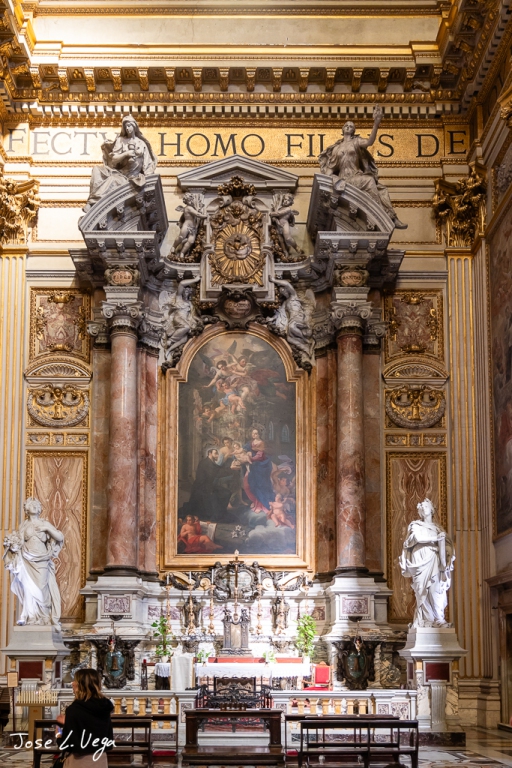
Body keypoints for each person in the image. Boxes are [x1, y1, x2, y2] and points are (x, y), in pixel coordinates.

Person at [318, 105, 407, 229]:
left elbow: (370, 141)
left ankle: (387, 215)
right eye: (346, 125)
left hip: (356, 177)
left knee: (374, 184)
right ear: (342, 129)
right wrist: (329, 181)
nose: (348, 127)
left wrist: (376, 123)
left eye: (351, 126)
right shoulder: (336, 149)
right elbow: (330, 170)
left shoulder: (356, 142)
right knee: (369, 181)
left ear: (353, 131)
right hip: (344, 180)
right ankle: (384, 215)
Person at [3, 497, 64, 627]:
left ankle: (45, 617)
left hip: (41, 560)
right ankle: (31, 617)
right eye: (32, 505)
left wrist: (47, 529)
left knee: (41, 589)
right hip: (26, 559)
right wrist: (12, 545)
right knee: (28, 588)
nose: (35, 506)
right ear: (26, 509)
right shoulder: (23, 525)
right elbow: (18, 542)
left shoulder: (44, 523)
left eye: (37, 505)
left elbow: (59, 537)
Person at [399, 498, 455, 628]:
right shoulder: (415, 525)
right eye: (422, 507)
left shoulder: (438, 529)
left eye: (426, 506)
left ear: (432, 509)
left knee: (436, 589)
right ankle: (425, 620)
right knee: (421, 591)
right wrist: (436, 539)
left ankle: (439, 619)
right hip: (420, 561)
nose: (424, 508)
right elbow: (417, 538)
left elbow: (449, 546)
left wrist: (446, 552)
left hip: (434, 560)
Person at [84, 115, 157, 211]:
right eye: (126, 126)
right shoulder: (121, 140)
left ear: (134, 126)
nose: (127, 128)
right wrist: (126, 154)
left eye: (129, 125)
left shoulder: (141, 143)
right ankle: (92, 202)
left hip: (132, 177)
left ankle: (94, 203)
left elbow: (147, 165)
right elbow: (114, 160)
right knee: (96, 170)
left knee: (112, 180)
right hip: (120, 174)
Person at [56, 668, 114, 768]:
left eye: (75, 680)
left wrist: (58, 735)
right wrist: (69, 722)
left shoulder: (74, 710)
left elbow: (67, 745)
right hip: (100, 760)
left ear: (81, 685)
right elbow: (94, 727)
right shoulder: (104, 707)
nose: (72, 683)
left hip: (79, 761)